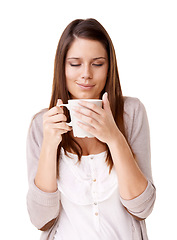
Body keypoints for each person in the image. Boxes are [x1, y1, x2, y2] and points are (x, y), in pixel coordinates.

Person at [26, 18, 156, 240]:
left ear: (109, 68)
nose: (86, 73)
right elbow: (40, 219)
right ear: (62, 67)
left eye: (97, 63)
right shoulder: (42, 124)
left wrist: (114, 137)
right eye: (75, 64)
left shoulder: (131, 113)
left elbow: (142, 208)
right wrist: (49, 144)